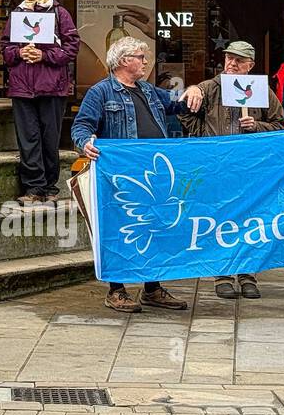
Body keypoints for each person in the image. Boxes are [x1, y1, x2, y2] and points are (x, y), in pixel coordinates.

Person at [71, 36, 196, 314]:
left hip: (152, 175)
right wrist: (86, 143)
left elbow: (179, 103)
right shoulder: (101, 92)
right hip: (120, 177)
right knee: (119, 229)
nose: (145, 62)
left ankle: (152, 289)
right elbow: (81, 126)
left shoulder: (149, 91)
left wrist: (196, 89)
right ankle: (117, 290)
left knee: (155, 228)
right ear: (124, 60)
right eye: (141, 56)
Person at [177, 40, 284, 300]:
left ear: (250, 65)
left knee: (250, 220)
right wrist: (204, 132)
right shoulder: (209, 88)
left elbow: (280, 125)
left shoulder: (261, 91)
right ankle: (222, 274)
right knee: (220, 219)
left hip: (250, 168)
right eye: (229, 58)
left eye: (238, 60)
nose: (232, 63)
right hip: (218, 166)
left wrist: (257, 126)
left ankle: (248, 274)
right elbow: (184, 111)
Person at [2, 0, 81, 205]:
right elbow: (5, 48)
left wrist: (44, 56)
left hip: (52, 87)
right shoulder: (16, 13)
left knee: (49, 138)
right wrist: (19, 52)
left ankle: (50, 187)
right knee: (28, 138)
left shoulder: (60, 14)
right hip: (22, 86)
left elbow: (72, 47)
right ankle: (33, 187)